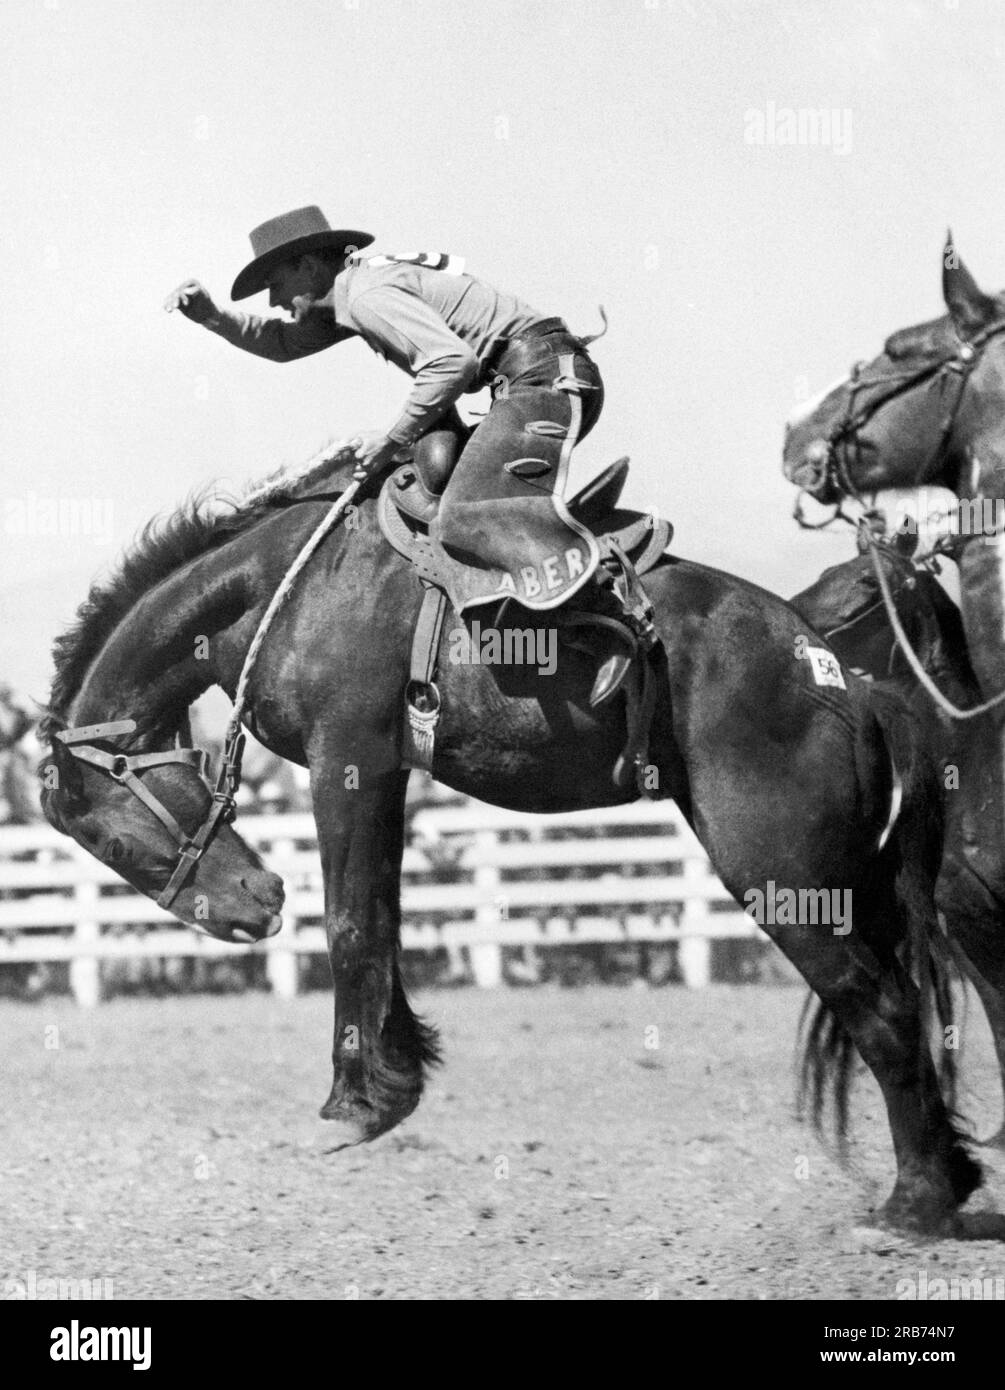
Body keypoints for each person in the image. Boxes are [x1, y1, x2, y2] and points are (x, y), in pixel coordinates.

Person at [166, 205, 638, 703]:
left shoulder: (367, 295)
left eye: (276, 282)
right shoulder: (349, 294)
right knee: (432, 471)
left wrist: (390, 437)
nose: (274, 299)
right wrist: (214, 319)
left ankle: (606, 619)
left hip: (546, 380)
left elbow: (452, 362)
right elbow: (284, 342)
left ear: (309, 266)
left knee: (462, 515)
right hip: (530, 379)